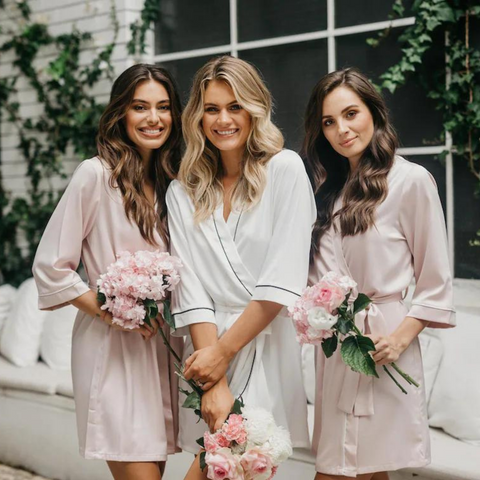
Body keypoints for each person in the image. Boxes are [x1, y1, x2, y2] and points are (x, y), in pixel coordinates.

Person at [301, 67, 456, 480]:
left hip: (386, 344)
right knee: (359, 469)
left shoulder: (410, 181)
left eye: (351, 114)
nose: (341, 130)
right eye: (329, 122)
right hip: (336, 349)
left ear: (374, 111)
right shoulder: (325, 190)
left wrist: (398, 340)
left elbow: (435, 279)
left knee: (351, 468)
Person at [165, 55, 315, 478]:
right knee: (218, 466)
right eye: (211, 108)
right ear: (197, 117)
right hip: (207, 348)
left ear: (255, 110)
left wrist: (221, 357)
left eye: (235, 106)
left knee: (241, 467)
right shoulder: (182, 191)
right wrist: (214, 379)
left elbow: (281, 279)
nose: (223, 119)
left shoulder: (284, 169)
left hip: (261, 342)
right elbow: (189, 287)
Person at [32, 64, 183, 480]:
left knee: (155, 465)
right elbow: (52, 267)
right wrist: (114, 312)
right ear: (121, 113)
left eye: (164, 107)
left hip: (160, 346)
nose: (154, 118)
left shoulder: (174, 182)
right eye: (140, 107)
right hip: (112, 345)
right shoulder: (95, 175)